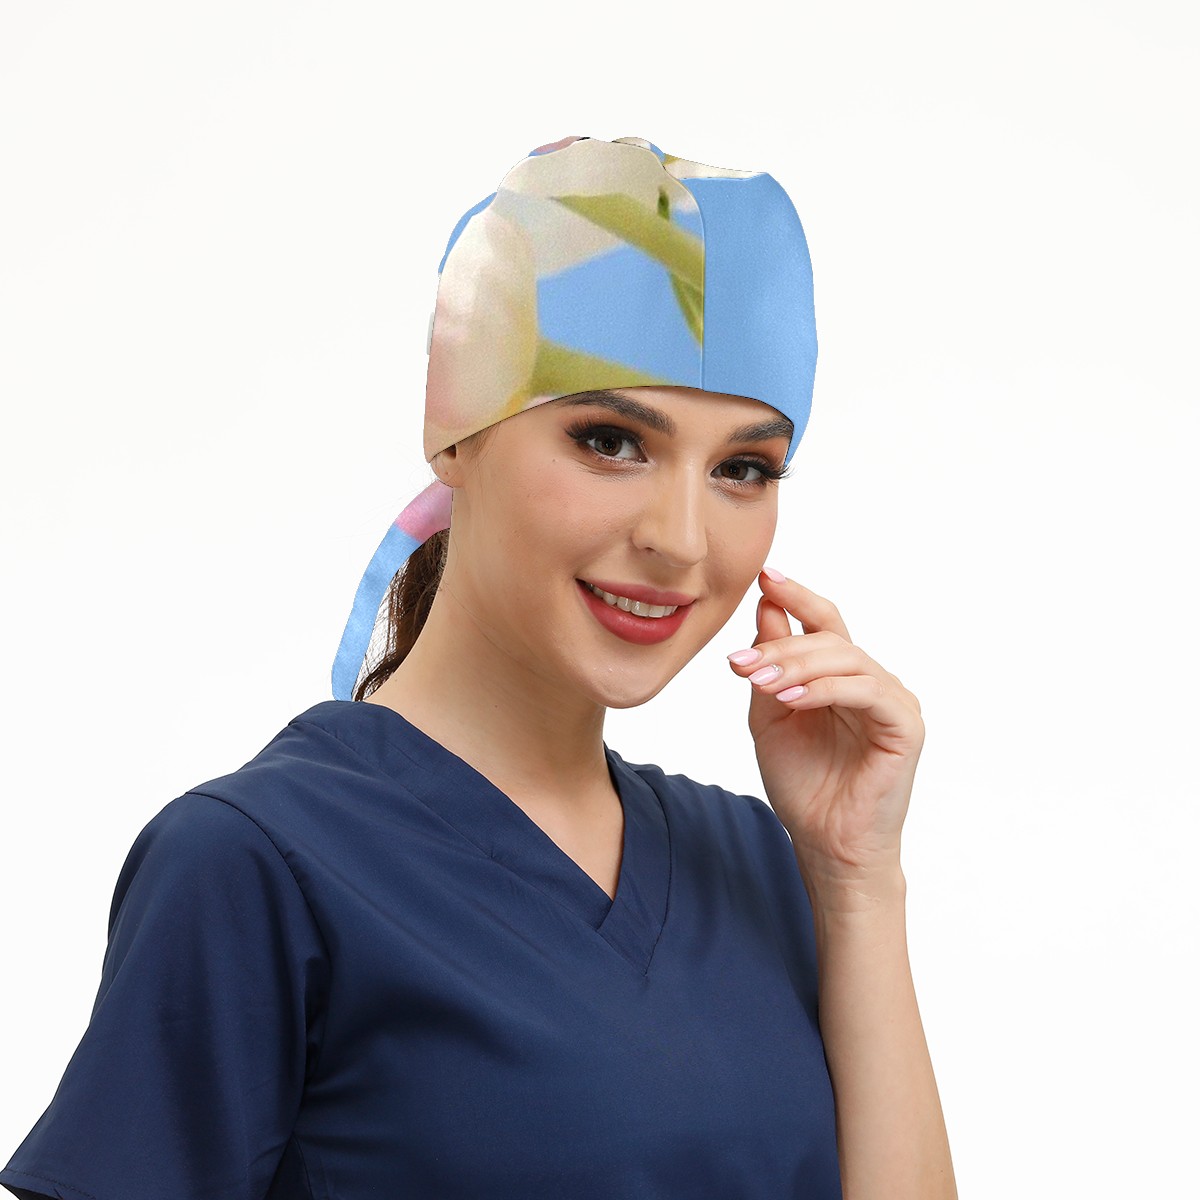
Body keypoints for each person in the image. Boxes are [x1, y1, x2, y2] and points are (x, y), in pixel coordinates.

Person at [1, 134, 957, 1199]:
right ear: (457, 431)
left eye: (743, 467)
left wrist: (856, 879)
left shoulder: (751, 860)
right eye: (611, 441)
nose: (682, 540)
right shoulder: (254, 865)